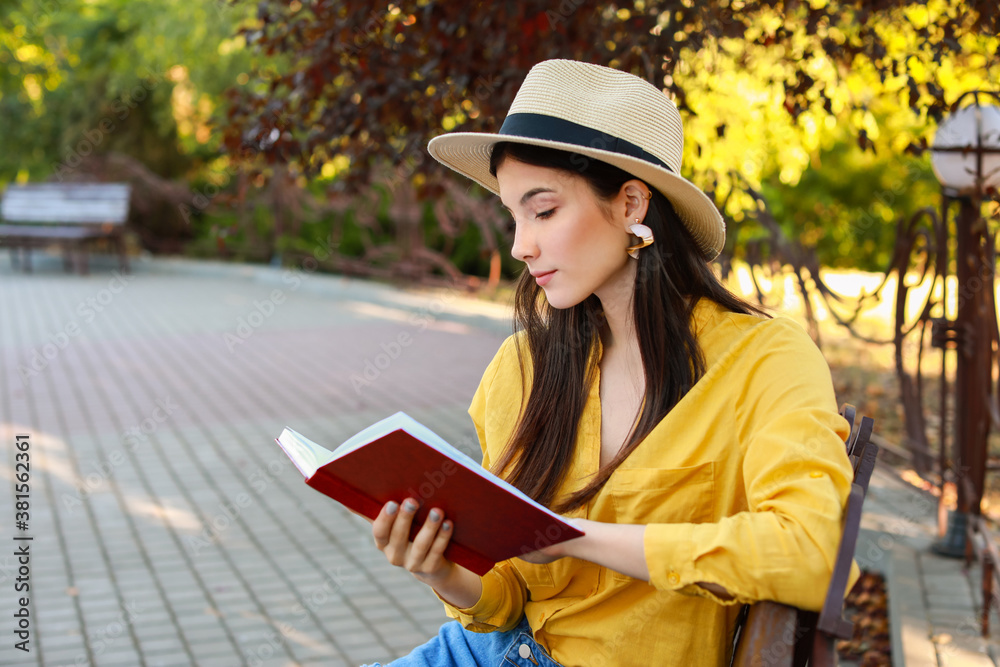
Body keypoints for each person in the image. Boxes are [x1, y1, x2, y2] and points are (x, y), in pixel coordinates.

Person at [360, 59, 857, 667]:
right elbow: (507, 593)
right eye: (513, 216)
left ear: (630, 204)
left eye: (542, 211)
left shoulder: (762, 357)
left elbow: (812, 552)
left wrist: (578, 539)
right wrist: (443, 571)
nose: (521, 245)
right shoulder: (523, 366)